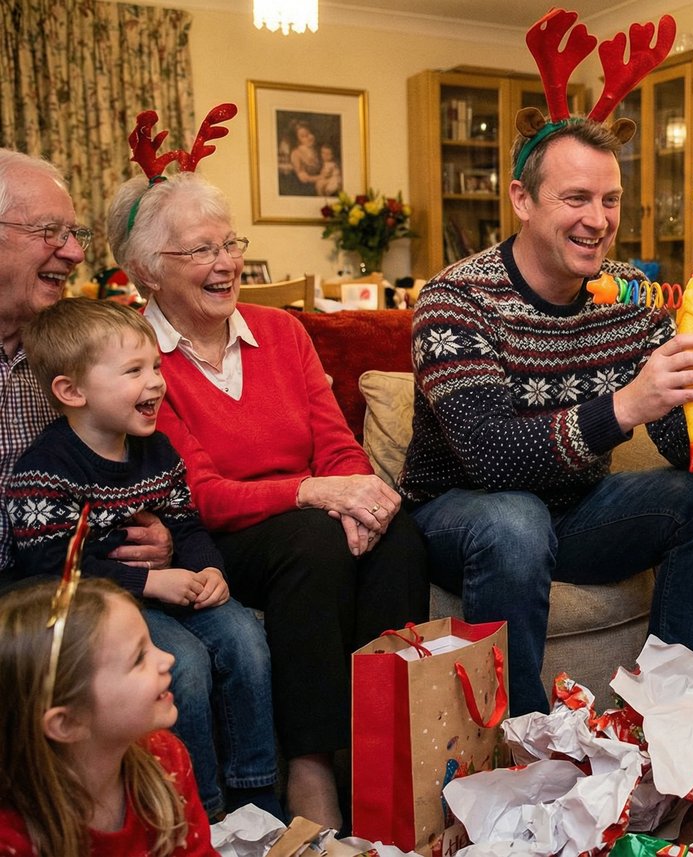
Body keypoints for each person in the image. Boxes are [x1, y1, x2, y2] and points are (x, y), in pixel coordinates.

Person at [400, 117, 693, 718]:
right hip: (458, 515)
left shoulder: (626, 294)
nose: (598, 220)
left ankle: (677, 716)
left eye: (610, 199)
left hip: (574, 513)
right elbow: (491, 457)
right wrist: (625, 406)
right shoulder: (457, 299)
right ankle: (519, 743)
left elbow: (679, 446)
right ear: (522, 199)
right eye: (576, 198)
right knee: (515, 518)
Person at [105, 170, 430, 827]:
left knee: (398, 536)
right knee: (311, 542)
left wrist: (359, 495)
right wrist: (316, 492)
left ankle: (389, 755)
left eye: (230, 244)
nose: (226, 263)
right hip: (215, 535)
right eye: (200, 250)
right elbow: (201, 494)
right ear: (147, 270)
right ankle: (312, 770)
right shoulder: (137, 360)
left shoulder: (281, 332)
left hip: (303, 517)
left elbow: (338, 445)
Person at [4, 299, 280, 819]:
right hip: (104, 606)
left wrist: (209, 569)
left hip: (163, 587)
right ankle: (200, 811)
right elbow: (48, 568)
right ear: (71, 391)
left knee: (245, 636)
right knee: (185, 664)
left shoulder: (156, 451)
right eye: (134, 371)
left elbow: (186, 522)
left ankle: (257, 795)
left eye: (155, 366)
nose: (156, 382)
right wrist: (151, 584)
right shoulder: (45, 468)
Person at [0, 150, 172, 578]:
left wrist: (161, 535)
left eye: (74, 233)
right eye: (51, 232)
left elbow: (134, 481)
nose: (75, 253)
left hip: (71, 584)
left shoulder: (79, 351)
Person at [0, 577, 216, 856]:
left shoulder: (166, 758)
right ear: (67, 723)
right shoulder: (12, 838)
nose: (167, 659)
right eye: (139, 658)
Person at [285, 120, 321, 196]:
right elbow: (304, 178)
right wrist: (322, 178)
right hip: (305, 190)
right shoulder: (296, 154)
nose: (309, 137)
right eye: (303, 136)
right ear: (297, 140)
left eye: (310, 133)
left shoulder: (318, 150)